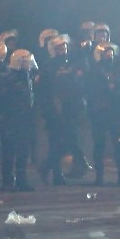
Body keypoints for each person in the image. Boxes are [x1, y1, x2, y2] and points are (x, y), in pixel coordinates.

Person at [38, 34, 91, 185]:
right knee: (56, 141)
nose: (63, 49)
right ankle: (56, 173)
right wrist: (50, 109)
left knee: (68, 140)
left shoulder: (72, 62)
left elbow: (80, 79)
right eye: (59, 47)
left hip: (71, 108)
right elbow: (45, 90)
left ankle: (47, 167)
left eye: (64, 46)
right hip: (55, 108)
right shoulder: (49, 65)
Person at [85, 42, 120, 186]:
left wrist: (116, 88)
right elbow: (91, 91)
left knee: (119, 143)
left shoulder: (118, 69)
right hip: (99, 112)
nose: (109, 56)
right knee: (99, 144)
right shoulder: (94, 71)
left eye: (111, 54)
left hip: (115, 112)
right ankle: (99, 177)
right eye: (106, 54)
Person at [0, 49, 37, 192]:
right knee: (9, 152)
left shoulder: (26, 76)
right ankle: (8, 181)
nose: (29, 65)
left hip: (24, 119)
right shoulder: (9, 78)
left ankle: (21, 180)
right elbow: (4, 101)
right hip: (11, 120)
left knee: (23, 152)